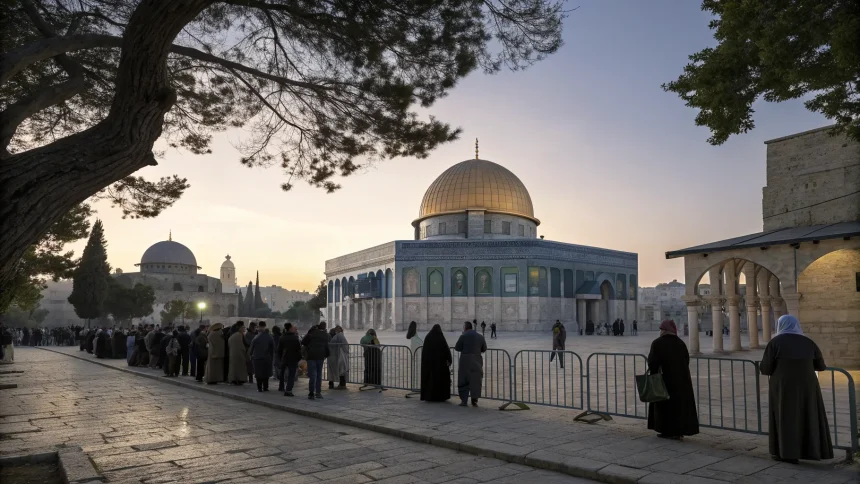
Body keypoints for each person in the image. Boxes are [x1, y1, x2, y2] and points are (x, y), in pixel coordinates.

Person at [760, 315, 833, 463]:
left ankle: (786, 453)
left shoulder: (775, 342)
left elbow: (766, 368)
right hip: (807, 386)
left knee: (785, 416)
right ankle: (810, 451)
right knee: (807, 415)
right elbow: (821, 366)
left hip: (783, 386)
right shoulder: (808, 342)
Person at [646, 320, 699, 440]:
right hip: (681, 380)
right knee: (679, 406)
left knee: (665, 406)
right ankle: (678, 431)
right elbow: (686, 360)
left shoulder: (657, 343)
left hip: (664, 380)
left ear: (664, 330)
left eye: (661, 329)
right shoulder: (680, 343)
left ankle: (666, 430)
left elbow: (653, 362)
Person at [454, 321, 486, 407]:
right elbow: (484, 348)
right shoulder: (480, 336)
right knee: (476, 380)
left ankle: (464, 400)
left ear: (465, 328)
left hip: (465, 361)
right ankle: (474, 400)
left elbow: (457, 348)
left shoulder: (463, 336)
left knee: (464, 380)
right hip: (477, 361)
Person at [420, 324, 452, 402]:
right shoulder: (441, 337)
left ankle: (429, 396)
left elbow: (424, 352)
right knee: (440, 380)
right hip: (440, 365)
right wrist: (449, 360)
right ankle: (440, 397)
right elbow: (446, 350)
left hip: (429, 365)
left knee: (430, 380)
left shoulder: (428, 337)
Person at [302, 322, 330, 399]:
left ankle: (311, 393)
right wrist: (326, 355)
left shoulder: (311, 333)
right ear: (324, 327)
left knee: (312, 375)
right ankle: (318, 392)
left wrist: (309, 331)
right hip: (320, 356)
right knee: (319, 375)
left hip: (311, 356)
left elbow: (303, 342)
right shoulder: (325, 335)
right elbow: (326, 345)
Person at [250, 321, 274, 392]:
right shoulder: (269, 337)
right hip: (266, 358)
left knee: (258, 374)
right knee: (265, 374)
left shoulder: (256, 337)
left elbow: (251, 348)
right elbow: (272, 348)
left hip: (257, 358)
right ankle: (266, 387)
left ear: (259, 327)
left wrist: (251, 355)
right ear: (265, 326)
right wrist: (271, 358)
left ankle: (259, 388)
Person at [279, 323, 302, 396]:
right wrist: (299, 357)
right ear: (290, 328)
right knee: (291, 375)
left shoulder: (282, 337)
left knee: (282, 373)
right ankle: (288, 390)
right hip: (293, 358)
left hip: (284, 358)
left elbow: (279, 349)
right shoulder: (295, 337)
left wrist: (280, 358)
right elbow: (299, 348)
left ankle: (281, 387)